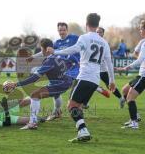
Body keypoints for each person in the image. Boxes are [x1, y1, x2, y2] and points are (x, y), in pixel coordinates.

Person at [47, 13, 115, 142]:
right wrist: (112, 80)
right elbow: (109, 62)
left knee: (71, 106)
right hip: (95, 79)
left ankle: (83, 130)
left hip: (84, 76)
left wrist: (56, 51)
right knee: (78, 106)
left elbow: (74, 49)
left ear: (86, 24)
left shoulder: (84, 38)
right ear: (97, 24)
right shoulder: (104, 42)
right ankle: (82, 132)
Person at [9, 38, 74, 129]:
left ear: (44, 49)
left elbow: (34, 78)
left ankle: (32, 123)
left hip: (60, 83)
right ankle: (57, 112)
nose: (40, 50)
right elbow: (70, 62)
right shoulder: (58, 54)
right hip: (66, 81)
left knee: (34, 95)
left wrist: (16, 84)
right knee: (55, 94)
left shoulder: (48, 61)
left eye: (41, 48)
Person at [116, 20, 145, 129]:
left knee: (130, 97)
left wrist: (126, 68)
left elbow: (139, 60)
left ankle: (134, 123)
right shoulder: (143, 42)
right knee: (125, 90)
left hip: (144, 76)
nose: (140, 30)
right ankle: (135, 116)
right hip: (141, 75)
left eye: (141, 28)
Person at [96, 27, 126, 108]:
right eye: (97, 32)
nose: (98, 33)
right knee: (90, 83)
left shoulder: (104, 43)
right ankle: (120, 98)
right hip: (95, 69)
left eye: (100, 32)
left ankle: (120, 98)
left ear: (103, 33)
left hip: (103, 70)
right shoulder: (93, 42)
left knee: (109, 85)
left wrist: (111, 67)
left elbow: (109, 57)